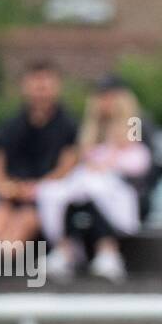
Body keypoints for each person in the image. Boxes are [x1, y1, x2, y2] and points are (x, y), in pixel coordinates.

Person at [36, 75, 153, 281]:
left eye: (109, 97)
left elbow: (136, 157)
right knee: (59, 192)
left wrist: (108, 162)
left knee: (95, 188)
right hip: (89, 182)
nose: (104, 102)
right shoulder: (92, 126)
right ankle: (66, 249)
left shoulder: (134, 122)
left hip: (122, 186)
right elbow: (83, 156)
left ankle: (107, 252)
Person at [0, 61, 78, 257]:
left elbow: (68, 167)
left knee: (22, 225)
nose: (40, 91)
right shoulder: (9, 126)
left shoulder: (69, 126)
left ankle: (6, 267)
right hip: (11, 198)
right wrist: (10, 188)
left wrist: (36, 189)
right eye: (36, 84)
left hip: (46, 201)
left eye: (45, 85)